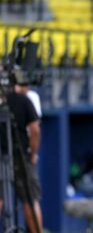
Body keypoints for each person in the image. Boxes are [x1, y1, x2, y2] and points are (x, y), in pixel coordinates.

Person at [0, 86, 43, 233]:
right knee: (30, 200)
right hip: (21, 156)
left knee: (29, 198)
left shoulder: (23, 99)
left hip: (14, 155)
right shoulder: (23, 100)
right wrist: (33, 153)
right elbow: (35, 129)